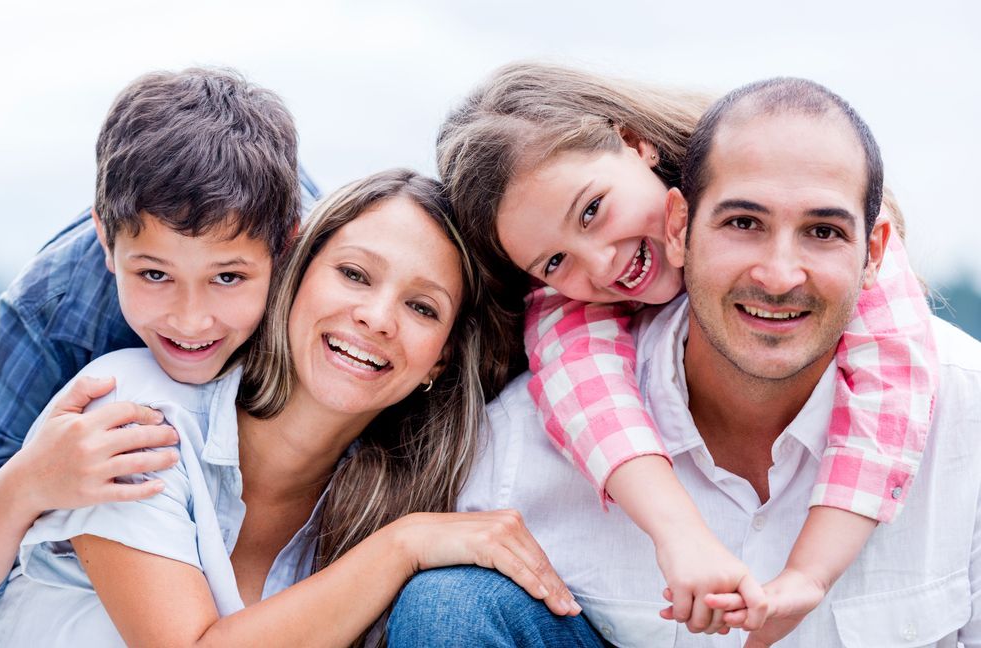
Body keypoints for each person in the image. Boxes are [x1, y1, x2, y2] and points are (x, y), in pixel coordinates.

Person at [388, 78, 981, 647]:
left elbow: (897, 389)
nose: (600, 267)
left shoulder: (906, 333)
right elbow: (583, 386)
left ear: (637, 147)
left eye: (593, 210)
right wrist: (678, 532)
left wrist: (811, 575)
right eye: (554, 263)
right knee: (448, 603)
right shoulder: (569, 326)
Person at [0, 169, 586, 647]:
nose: (376, 317)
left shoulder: (380, 506)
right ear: (294, 276)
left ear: (439, 361)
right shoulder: (138, 411)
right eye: (353, 274)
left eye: (421, 308)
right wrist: (406, 545)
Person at [0, 67, 317, 608]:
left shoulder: (324, 275)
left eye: (227, 277)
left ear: (286, 246)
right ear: (105, 239)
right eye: (154, 275)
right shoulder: (48, 312)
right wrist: (28, 483)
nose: (190, 320)